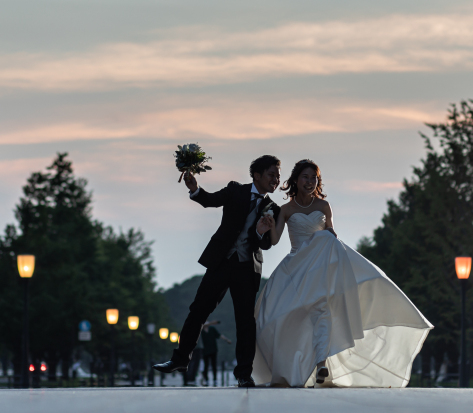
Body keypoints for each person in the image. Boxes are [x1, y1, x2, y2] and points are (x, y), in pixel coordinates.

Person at [254, 159, 433, 387]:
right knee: (280, 316)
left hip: (320, 271)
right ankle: (292, 365)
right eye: (305, 177)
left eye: (314, 178)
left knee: (322, 311)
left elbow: (331, 234)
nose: (310, 182)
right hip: (297, 270)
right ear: (296, 180)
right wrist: (268, 226)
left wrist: (331, 238)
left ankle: (321, 364)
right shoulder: (287, 209)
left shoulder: (323, 207)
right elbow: (276, 239)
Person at [153, 155, 282, 388]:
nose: (276, 179)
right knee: (198, 311)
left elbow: (264, 245)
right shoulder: (235, 190)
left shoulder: (274, 208)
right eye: (272, 174)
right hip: (221, 261)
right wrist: (194, 189)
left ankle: (244, 374)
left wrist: (261, 232)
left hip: (247, 267)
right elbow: (210, 200)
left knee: (245, 322)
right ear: (257, 175)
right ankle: (180, 359)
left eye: (278, 175)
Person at [200, 320, 231, 386]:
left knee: (214, 365)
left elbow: (219, 335)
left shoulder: (212, 329)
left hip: (213, 349)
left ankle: (215, 379)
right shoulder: (201, 330)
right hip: (205, 350)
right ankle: (206, 380)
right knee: (206, 365)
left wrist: (226, 339)